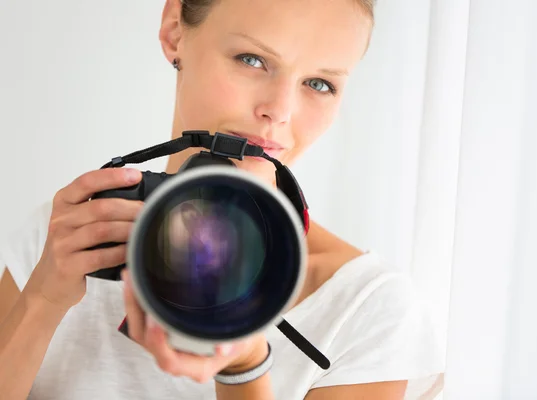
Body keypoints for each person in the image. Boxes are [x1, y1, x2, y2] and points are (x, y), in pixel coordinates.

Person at [0, 0, 445, 399]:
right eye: (252, 59)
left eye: (320, 83)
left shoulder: (363, 306)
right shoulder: (67, 235)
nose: (280, 110)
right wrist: (42, 299)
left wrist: (245, 366)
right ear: (175, 30)